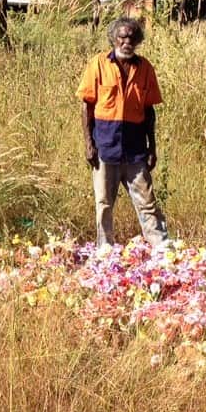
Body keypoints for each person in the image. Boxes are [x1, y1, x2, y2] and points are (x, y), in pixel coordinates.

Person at [77, 17, 168, 247]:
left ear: (137, 40)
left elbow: (149, 111)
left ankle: (161, 249)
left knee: (147, 201)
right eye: (122, 36)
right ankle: (105, 250)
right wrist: (89, 144)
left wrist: (152, 148)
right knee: (104, 203)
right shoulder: (98, 64)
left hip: (136, 148)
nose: (126, 41)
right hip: (105, 146)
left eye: (131, 37)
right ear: (113, 38)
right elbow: (86, 106)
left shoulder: (145, 68)